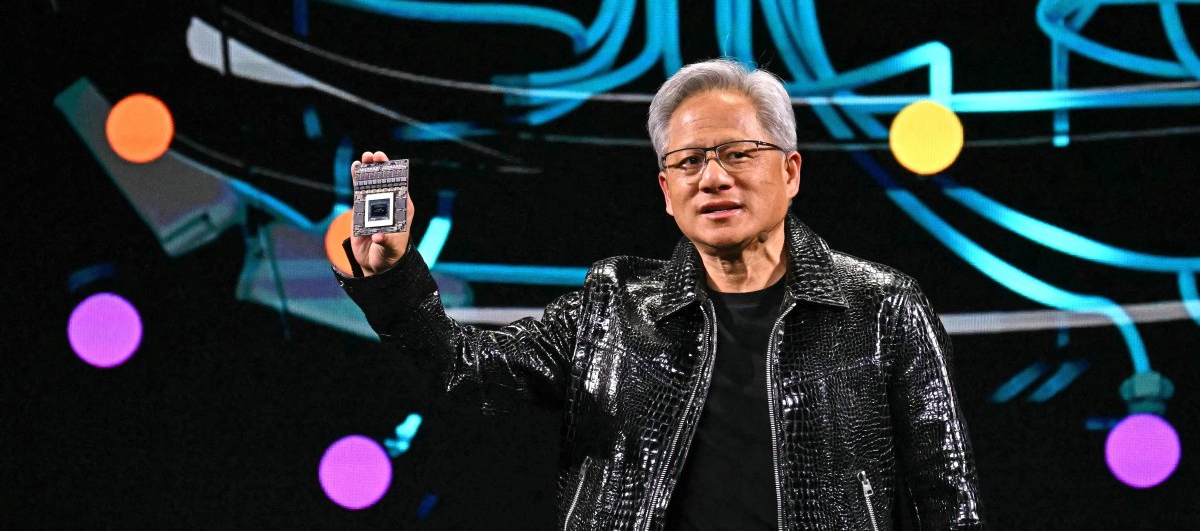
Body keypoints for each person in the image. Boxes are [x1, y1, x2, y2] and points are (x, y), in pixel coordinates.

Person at [333, 59, 985, 530]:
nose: (712, 178)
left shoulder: (884, 308)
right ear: (667, 192)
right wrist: (392, 275)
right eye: (688, 161)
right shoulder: (611, 304)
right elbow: (464, 369)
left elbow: (948, 501)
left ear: (790, 172)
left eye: (737, 153)